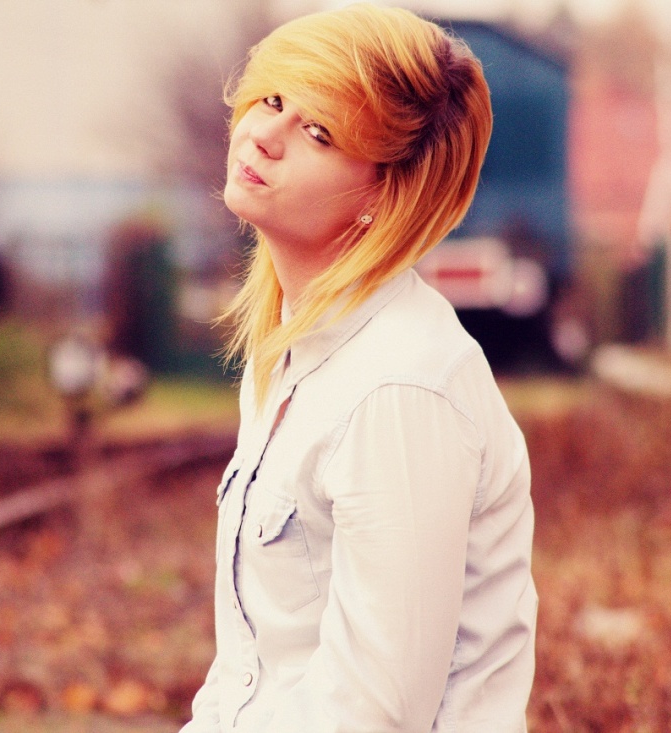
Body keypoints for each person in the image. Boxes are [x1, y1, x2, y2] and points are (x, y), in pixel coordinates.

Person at [181, 5, 537, 732]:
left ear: (383, 193)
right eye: (273, 99)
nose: (265, 135)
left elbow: (375, 711)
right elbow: (248, 669)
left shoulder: (397, 387)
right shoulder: (296, 350)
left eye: (319, 133)